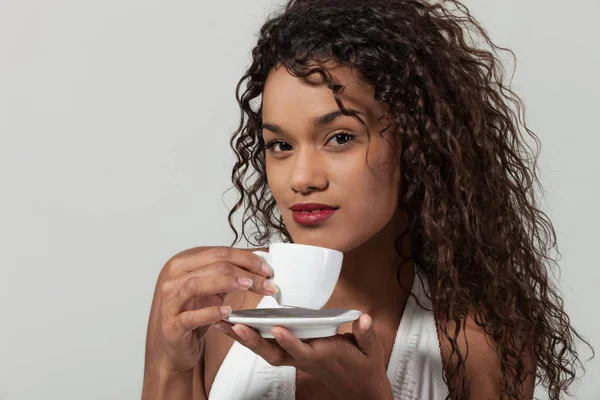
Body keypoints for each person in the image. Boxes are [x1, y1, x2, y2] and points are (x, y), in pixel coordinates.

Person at [141, 0, 593, 399]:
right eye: (280, 145)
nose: (301, 178)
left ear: (416, 144)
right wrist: (169, 365)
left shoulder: (482, 343)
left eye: (340, 137)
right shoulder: (215, 302)